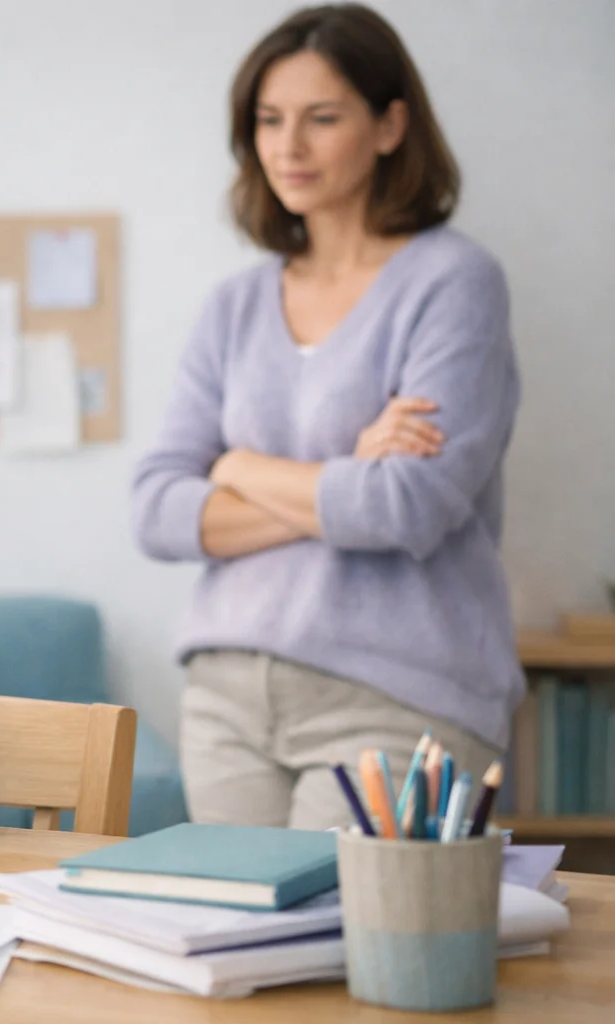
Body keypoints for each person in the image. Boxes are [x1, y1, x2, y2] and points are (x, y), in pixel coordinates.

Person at [132, 4, 522, 830]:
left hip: (398, 692)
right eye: (269, 121)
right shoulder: (234, 305)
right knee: (240, 953)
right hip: (227, 696)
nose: (288, 147)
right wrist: (347, 474)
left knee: (356, 948)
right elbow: (157, 512)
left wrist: (235, 467)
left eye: (321, 118)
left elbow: (406, 506)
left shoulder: (455, 284)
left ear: (390, 126)